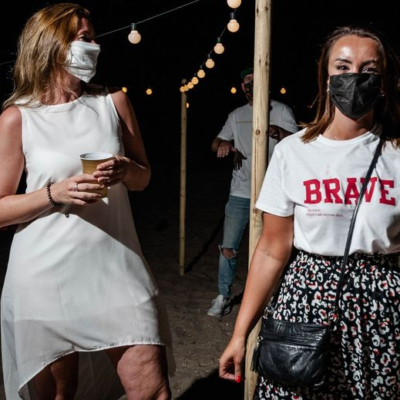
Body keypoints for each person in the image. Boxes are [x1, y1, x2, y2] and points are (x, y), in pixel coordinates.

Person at [0, 4, 173, 400]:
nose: (95, 46)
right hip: (46, 280)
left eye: (93, 37)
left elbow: (144, 178)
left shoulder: (113, 101)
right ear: (51, 45)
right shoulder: (19, 118)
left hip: (116, 269)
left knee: (152, 391)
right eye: (84, 38)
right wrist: (52, 193)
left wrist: (126, 171)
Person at [219, 25, 400, 399]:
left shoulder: (396, 153)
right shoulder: (294, 152)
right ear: (327, 77)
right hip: (305, 302)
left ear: (382, 82)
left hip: (382, 306)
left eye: (368, 70)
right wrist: (240, 334)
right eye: (343, 67)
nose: (355, 78)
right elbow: (271, 250)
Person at [207, 68, 298, 318]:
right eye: (247, 80)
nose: (251, 85)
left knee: (273, 249)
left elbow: (299, 142)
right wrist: (224, 144)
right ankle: (223, 296)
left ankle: (271, 300)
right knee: (228, 247)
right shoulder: (237, 115)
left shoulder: (280, 110)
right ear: (241, 85)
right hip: (240, 191)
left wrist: (279, 132)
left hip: (274, 192)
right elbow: (216, 141)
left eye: (256, 81)